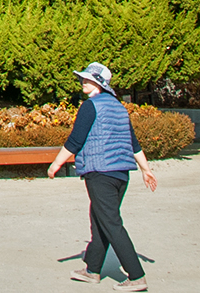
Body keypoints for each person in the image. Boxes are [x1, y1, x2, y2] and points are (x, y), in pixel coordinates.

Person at [46, 62, 157, 291]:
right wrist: (146, 170)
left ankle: (136, 276)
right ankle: (92, 271)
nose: (83, 82)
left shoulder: (90, 106)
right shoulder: (119, 108)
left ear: (99, 84)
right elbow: (134, 144)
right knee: (100, 220)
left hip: (100, 173)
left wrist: (56, 164)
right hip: (121, 175)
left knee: (111, 223)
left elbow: (75, 140)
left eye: (88, 79)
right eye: (83, 79)